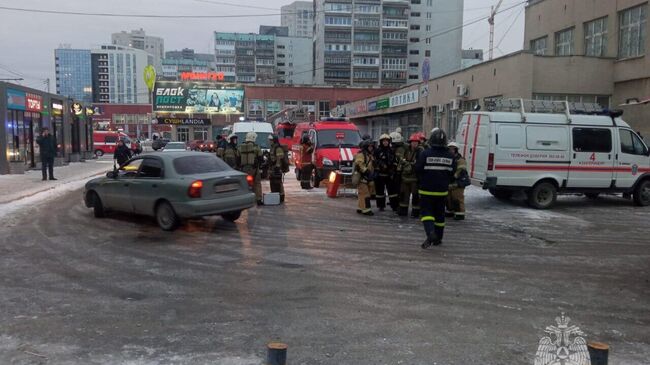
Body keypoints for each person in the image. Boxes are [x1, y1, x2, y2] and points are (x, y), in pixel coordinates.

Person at [416, 128, 456, 248]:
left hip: (426, 190)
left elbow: (418, 169)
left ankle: (430, 233)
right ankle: (438, 238)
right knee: (440, 215)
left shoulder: (425, 153)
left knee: (426, 213)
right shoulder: (450, 156)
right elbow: (452, 173)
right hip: (442, 191)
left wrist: (422, 179)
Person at [398, 134, 422, 217]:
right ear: (410, 142)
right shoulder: (405, 150)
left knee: (415, 196)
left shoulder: (420, 152)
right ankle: (403, 211)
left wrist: (409, 164)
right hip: (405, 178)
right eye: (413, 142)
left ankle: (415, 213)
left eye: (416, 142)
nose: (414, 144)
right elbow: (400, 160)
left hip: (415, 179)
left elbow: (420, 164)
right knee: (404, 195)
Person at [374, 134, 398, 211]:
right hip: (380, 175)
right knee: (380, 191)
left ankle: (394, 206)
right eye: (384, 141)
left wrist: (393, 169)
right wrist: (380, 164)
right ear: (381, 142)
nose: (385, 142)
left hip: (389, 175)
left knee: (392, 191)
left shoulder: (392, 150)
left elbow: (395, 161)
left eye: (387, 141)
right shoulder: (377, 150)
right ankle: (381, 206)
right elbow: (374, 161)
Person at [238, 132, 263, 205]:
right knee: (257, 183)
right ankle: (258, 199)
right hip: (254, 168)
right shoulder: (256, 147)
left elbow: (238, 158)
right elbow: (260, 158)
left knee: (245, 184)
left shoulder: (240, 147)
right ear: (253, 138)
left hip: (244, 169)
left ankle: (246, 200)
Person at [446, 142, 468, 221]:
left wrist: (454, 176)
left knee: (457, 197)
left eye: (453, 149)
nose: (451, 150)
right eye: (450, 149)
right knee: (448, 197)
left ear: (456, 150)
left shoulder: (460, 159)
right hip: (449, 181)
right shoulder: (448, 158)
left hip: (459, 181)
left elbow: (461, 170)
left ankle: (460, 213)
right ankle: (450, 211)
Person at [354, 140, 375, 216]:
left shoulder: (369, 155)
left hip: (367, 177)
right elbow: (359, 164)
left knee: (363, 193)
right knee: (365, 194)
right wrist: (367, 172)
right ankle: (366, 210)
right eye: (369, 146)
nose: (371, 148)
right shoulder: (361, 155)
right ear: (365, 147)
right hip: (362, 177)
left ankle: (360, 207)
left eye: (371, 146)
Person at [390, 128, 406, 210]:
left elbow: (400, 161)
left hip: (399, 172)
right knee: (396, 189)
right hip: (397, 172)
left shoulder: (399, 150)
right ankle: (396, 204)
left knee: (398, 189)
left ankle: (397, 204)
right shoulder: (400, 148)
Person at [268, 134, 286, 203]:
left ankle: (281, 196)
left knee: (278, 182)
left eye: (271, 140)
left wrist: (277, 167)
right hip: (272, 167)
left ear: (274, 140)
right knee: (272, 181)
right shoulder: (272, 147)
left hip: (277, 168)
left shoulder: (278, 148)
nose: (270, 141)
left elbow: (280, 158)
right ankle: (274, 194)